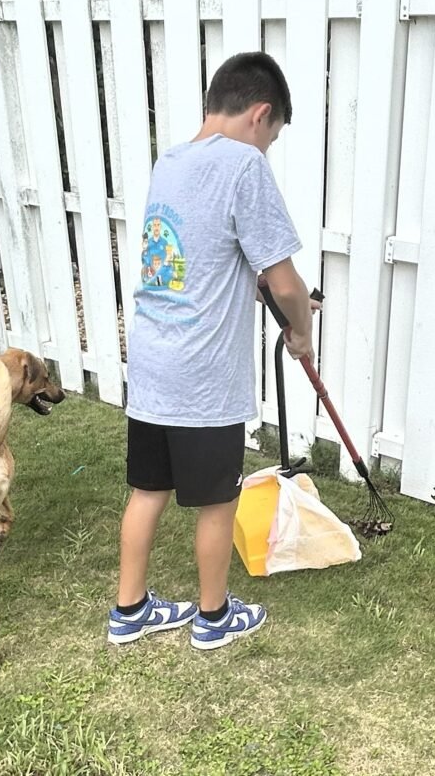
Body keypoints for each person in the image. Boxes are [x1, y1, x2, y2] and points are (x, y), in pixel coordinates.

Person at [108, 51, 315, 652]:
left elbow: (195, 255)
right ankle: (214, 616)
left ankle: (129, 610)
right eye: (271, 138)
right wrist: (300, 331)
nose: (266, 150)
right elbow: (284, 282)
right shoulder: (245, 167)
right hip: (204, 376)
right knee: (218, 501)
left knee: (147, 491)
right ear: (261, 114)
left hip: (151, 366)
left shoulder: (169, 162)